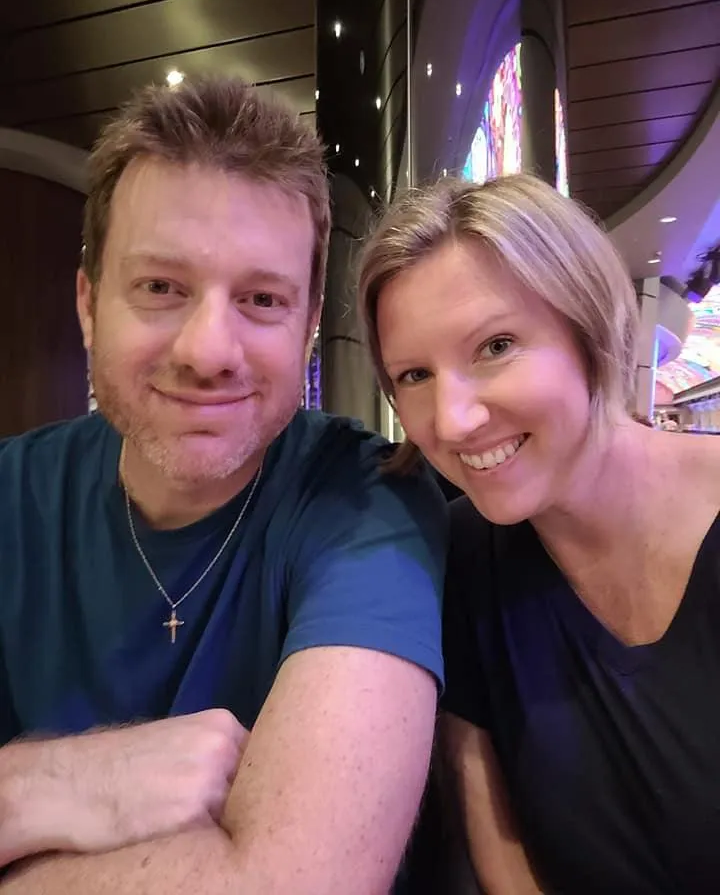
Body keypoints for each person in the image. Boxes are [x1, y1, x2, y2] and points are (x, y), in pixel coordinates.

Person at [0, 76, 447, 894]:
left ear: (309, 331)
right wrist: (57, 783)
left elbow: (300, 881)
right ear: (90, 306)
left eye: (261, 299)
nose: (210, 349)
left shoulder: (366, 499)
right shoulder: (9, 497)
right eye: (162, 287)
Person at [358, 173, 720, 894]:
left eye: (495, 345)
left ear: (588, 328)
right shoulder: (459, 557)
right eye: (414, 374)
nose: (453, 420)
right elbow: (503, 852)